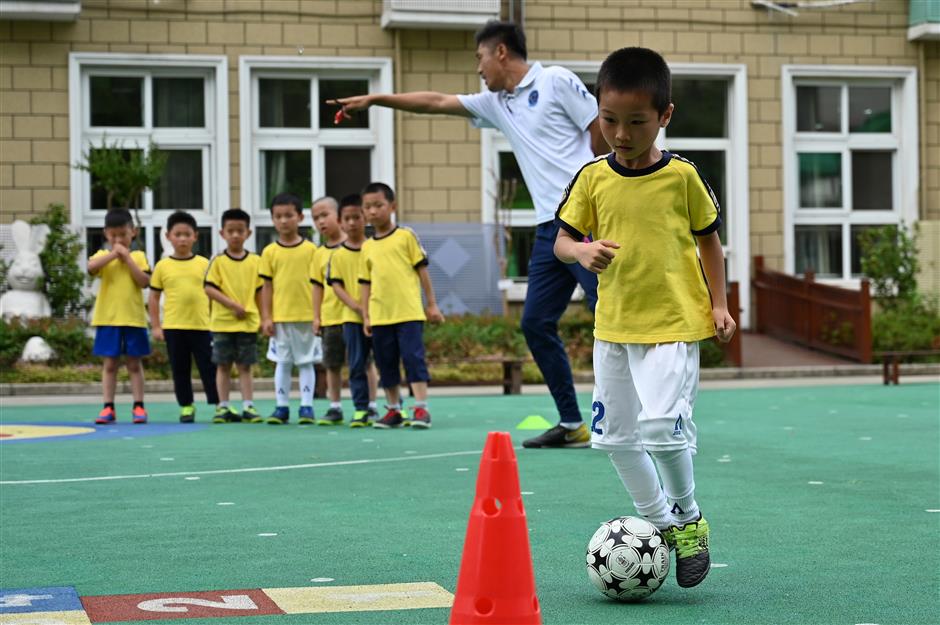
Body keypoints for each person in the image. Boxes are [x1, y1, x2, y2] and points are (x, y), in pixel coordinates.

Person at [328, 20, 606, 448]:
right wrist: (377, 99)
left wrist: (599, 192)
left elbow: (598, 127)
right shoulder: (498, 102)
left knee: (608, 316)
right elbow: (435, 101)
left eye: (478, 58)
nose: (477, 68)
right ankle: (572, 424)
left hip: (586, 218)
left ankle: (631, 419)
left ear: (500, 53)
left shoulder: (554, 81)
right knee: (534, 323)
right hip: (550, 229)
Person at [554, 47, 736, 588]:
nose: (621, 132)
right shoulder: (591, 179)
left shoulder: (681, 176)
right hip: (613, 328)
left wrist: (719, 304)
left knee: (660, 428)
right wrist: (580, 252)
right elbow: (562, 240)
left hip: (673, 326)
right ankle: (658, 521)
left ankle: (688, 517)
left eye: (636, 122)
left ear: (665, 117)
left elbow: (711, 243)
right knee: (612, 440)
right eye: (609, 119)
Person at [358, 183, 443, 429]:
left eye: (378, 205)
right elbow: (365, 283)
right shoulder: (367, 246)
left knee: (413, 358)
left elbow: (422, 271)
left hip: (408, 313)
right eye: (368, 207)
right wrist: (366, 316)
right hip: (380, 315)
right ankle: (394, 409)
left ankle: (420, 408)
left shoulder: (406, 236)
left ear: (392, 206)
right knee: (386, 362)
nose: (373, 211)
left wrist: (432, 305)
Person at [148, 211, 220, 423]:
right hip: (173, 327)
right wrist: (156, 326)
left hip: (201, 326)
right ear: (168, 236)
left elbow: (213, 294)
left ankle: (219, 404)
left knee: (209, 367)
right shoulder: (163, 266)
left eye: (187, 234)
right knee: (180, 369)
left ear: (195, 236)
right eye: (177, 234)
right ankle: (186, 406)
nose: (182, 239)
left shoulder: (204, 263)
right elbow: (153, 298)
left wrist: (214, 320)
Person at [88, 208, 152, 424]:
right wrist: (114, 255)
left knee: (134, 364)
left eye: (123, 235)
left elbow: (144, 281)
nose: (118, 240)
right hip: (108, 319)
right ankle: (108, 407)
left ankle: (139, 406)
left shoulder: (139, 256)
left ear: (133, 232)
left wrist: (127, 259)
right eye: (113, 235)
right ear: (106, 234)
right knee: (110, 365)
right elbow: (91, 268)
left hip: (133, 318)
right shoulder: (102, 256)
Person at [259, 192, 319, 425]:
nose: (284, 221)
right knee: (282, 362)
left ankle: (306, 406)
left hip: (306, 316)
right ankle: (281, 407)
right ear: (273, 219)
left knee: (306, 362)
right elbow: (266, 287)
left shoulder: (312, 250)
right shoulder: (269, 252)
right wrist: (266, 316)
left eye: (289, 215)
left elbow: (318, 286)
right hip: (280, 317)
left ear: (300, 217)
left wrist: (317, 315)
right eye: (278, 216)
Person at [204, 208, 263, 423]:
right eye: (231, 231)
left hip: (247, 323)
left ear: (248, 233)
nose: (235, 235)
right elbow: (209, 288)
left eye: (240, 230)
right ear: (222, 233)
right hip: (222, 323)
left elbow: (261, 291)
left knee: (245, 365)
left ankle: (248, 405)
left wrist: (265, 317)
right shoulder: (218, 261)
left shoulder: (256, 261)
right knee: (223, 365)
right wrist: (232, 306)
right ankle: (223, 406)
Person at [327, 194, 380, 427]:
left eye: (356, 217)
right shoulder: (337, 255)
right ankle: (360, 408)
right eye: (347, 218)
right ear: (340, 221)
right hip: (351, 318)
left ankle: (388, 406)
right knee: (356, 363)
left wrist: (371, 307)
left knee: (385, 361)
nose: (352, 223)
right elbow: (336, 285)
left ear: (365, 218)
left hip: (381, 316)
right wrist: (356, 306)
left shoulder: (375, 248)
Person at [309, 196, 348, 425]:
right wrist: (316, 316)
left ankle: (370, 405)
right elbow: (317, 288)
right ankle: (335, 406)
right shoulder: (318, 254)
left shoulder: (358, 247)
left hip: (354, 317)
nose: (321, 222)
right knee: (332, 364)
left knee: (363, 363)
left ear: (339, 216)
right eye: (316, 218)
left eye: (325, 215)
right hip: (330, 317)